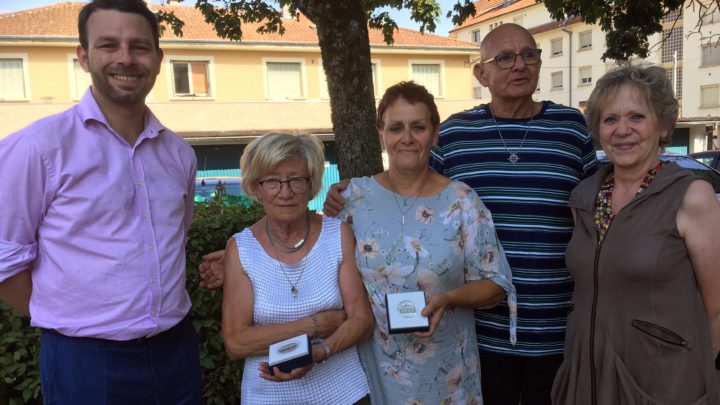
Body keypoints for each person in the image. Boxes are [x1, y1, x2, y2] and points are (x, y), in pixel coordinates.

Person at [324, 23, 597, 405]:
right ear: (481, 73)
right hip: (480, 333)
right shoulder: (455, 134)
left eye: (528, 54)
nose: (519, 65)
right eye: (504, 57)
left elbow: (599, 209)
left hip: (555, 321)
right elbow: (406, 189)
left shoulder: (572, 128)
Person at [0, 1, 203, 403]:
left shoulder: (180, 154)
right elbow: (5, 261)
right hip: (85, 359)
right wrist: (68, 322)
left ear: (159, 59)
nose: (125, 58)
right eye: (109, 45)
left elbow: (174, 241)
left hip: (177, 349)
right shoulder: (37, 148)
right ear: (83, 56)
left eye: (139, 46)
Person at [337, 81, 516, 404]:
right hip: (376, 372)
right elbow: (313, 253)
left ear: (434, 134)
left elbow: (497, 282)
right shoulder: (352, 199)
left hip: (449, 375)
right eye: (396, 127)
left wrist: (449, 298)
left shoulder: (461, 201)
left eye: (418, 127)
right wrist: (235, 257)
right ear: (381, 133)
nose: (406, 138)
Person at [551, 65, 720, 404]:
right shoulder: (584, 197)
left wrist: (697, 376)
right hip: (587, 374)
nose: (622, 130)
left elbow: (717, 310)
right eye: (610, 119)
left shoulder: (691, 196)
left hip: (662, 380)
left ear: (662, 126)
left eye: (637, 117)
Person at [222, 133, 373, 404]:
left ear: (312, 184)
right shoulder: (241, 249)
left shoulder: (337, 235)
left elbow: (361, 320)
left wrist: (321, 352)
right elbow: (236, 342)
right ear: (256, 188)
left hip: (344, 394)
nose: (285, 191)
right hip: (267, 397)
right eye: (272, 181)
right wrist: (314, 325)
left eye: (296, 180)